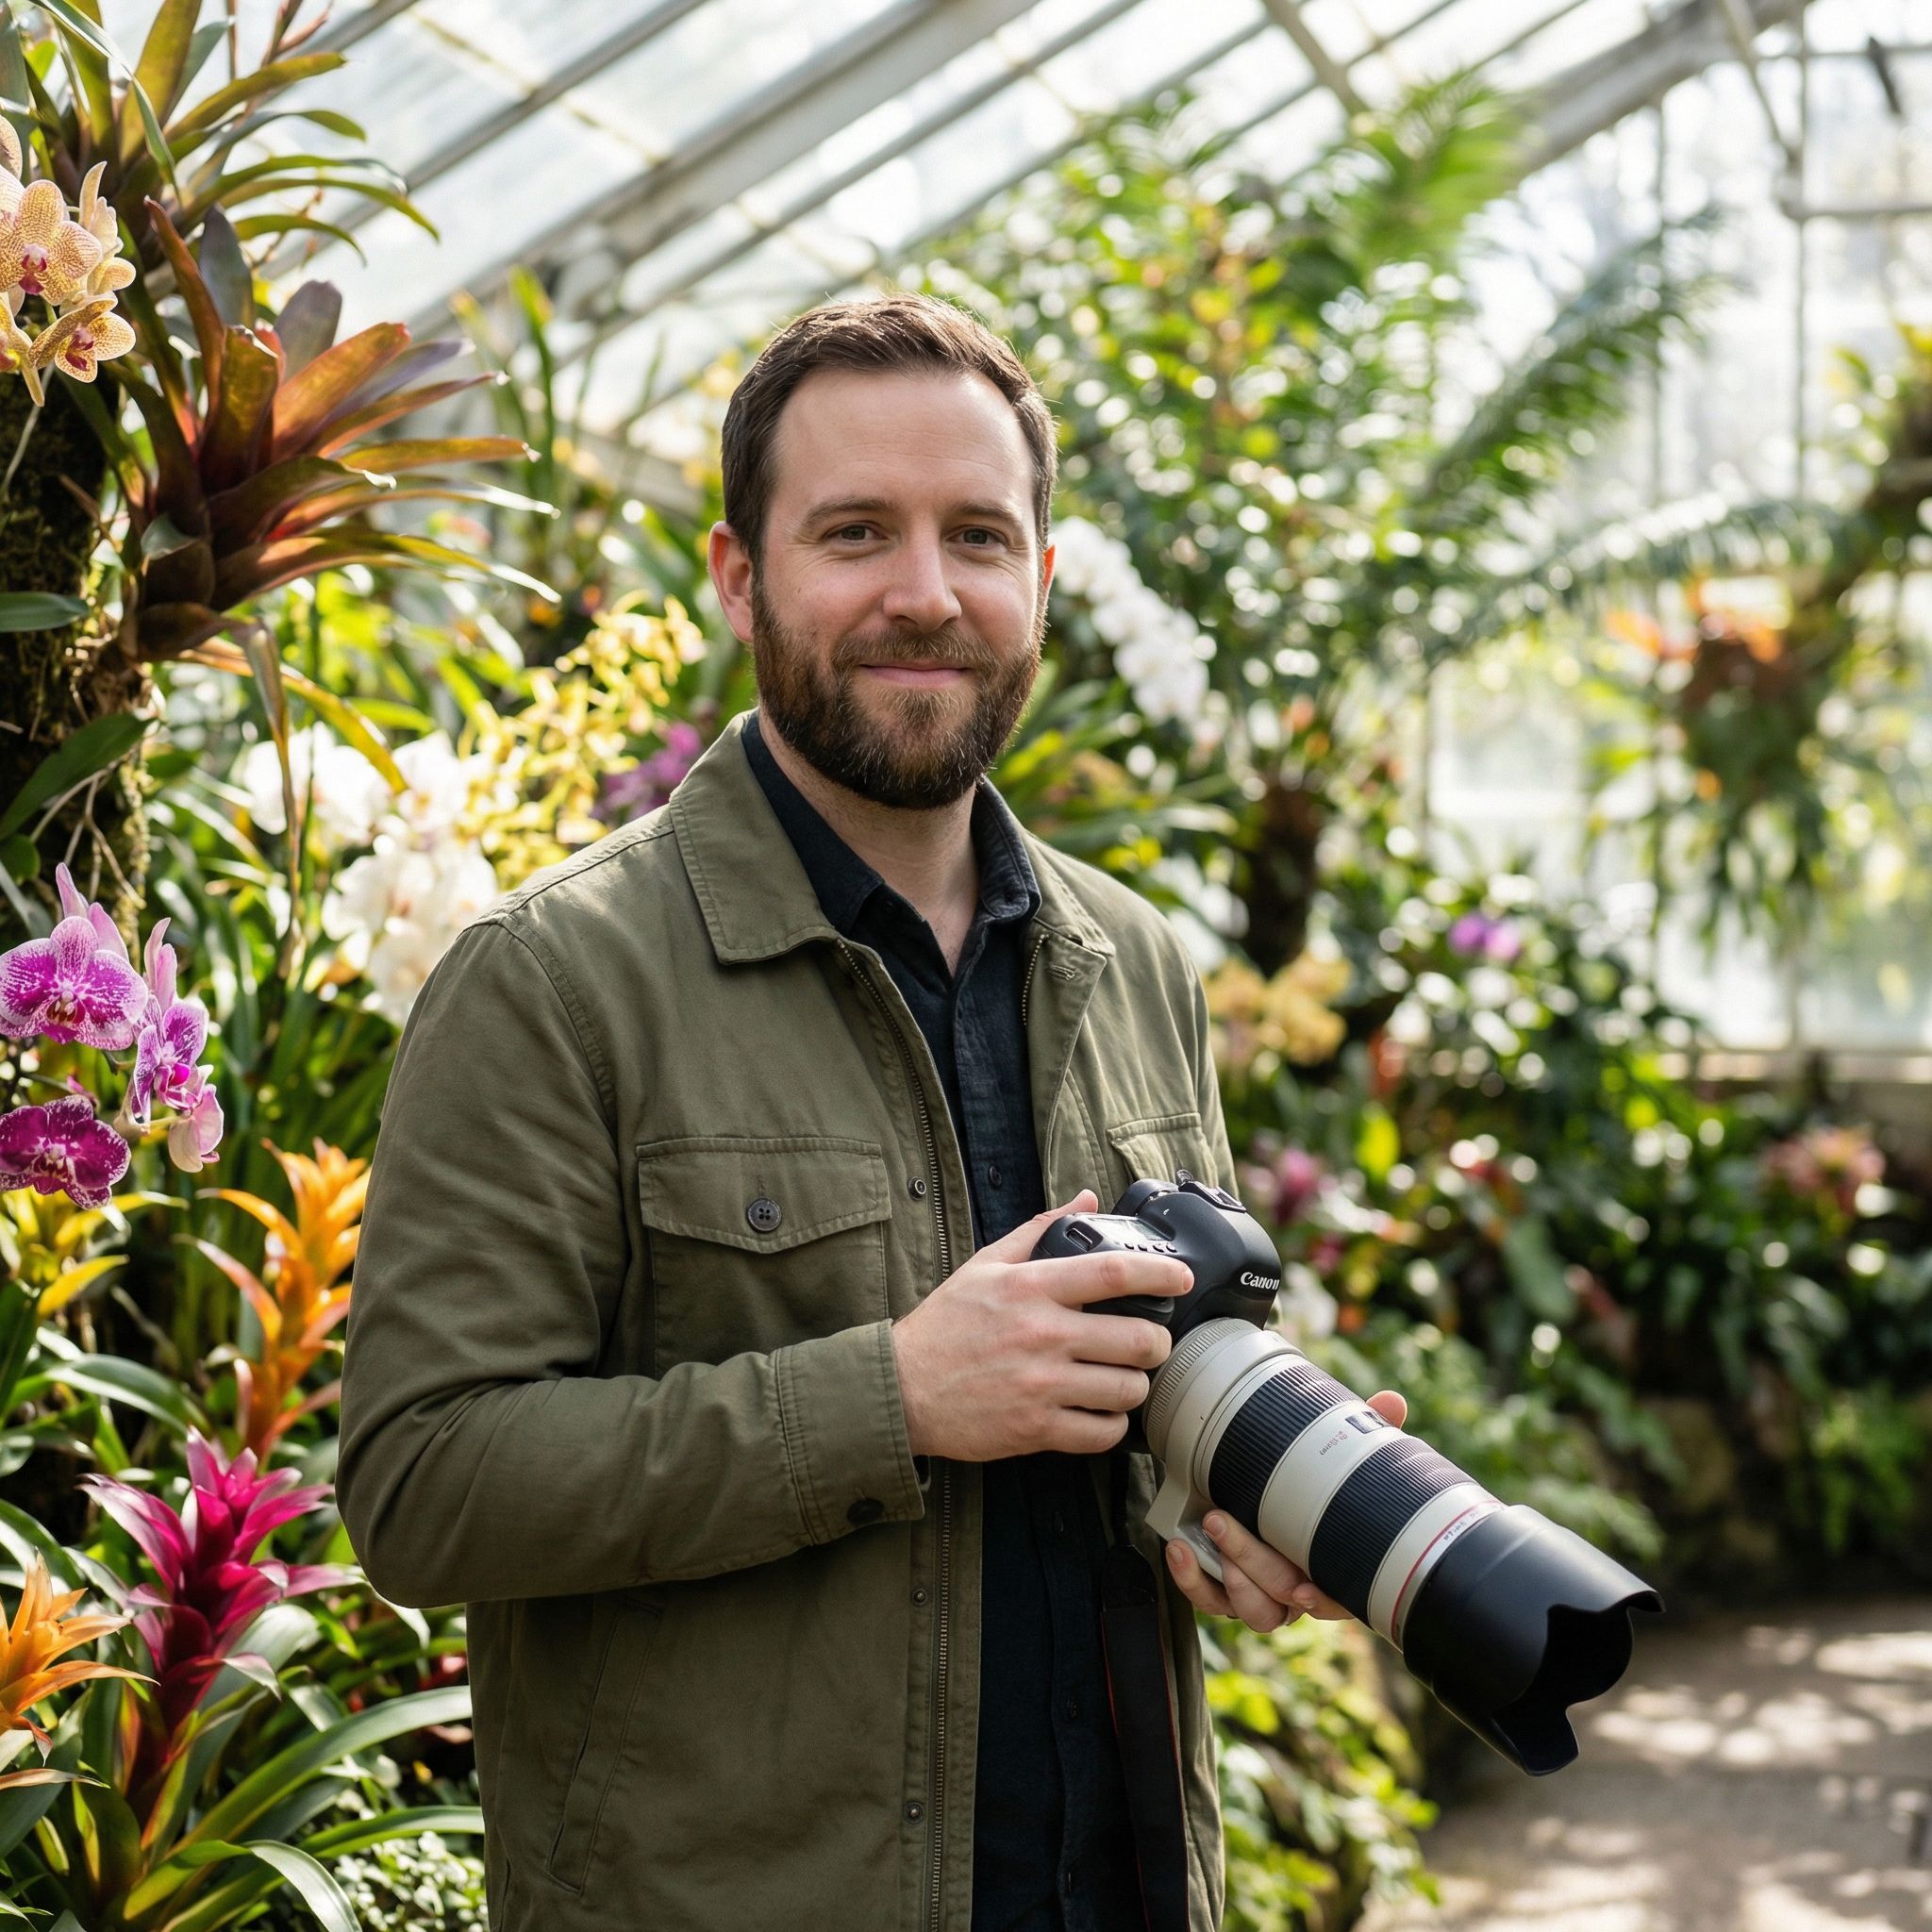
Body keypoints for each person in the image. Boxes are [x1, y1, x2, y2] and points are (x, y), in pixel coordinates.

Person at [337, 290, 1405, 1932]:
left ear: (1039, 584)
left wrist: (1220, 1516)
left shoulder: (1137, 963)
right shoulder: (555, 980)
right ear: (737, 575)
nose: (925, 594)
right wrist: (890, 1397)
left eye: (978, 535)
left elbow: (1124, 1406)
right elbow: (424, 1482)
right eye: (855, 532)